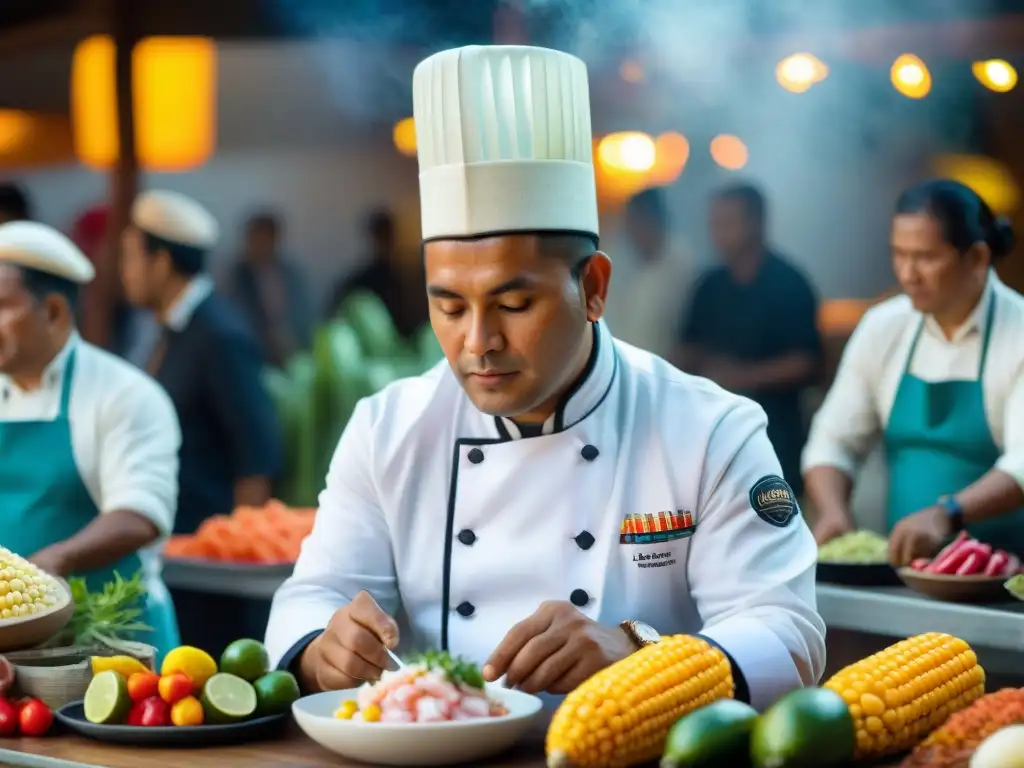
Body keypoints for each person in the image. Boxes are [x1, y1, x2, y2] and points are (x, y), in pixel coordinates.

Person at [266, 45, 824, 711]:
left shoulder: (710, 430)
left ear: (592, 288)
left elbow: (788, 636)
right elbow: (311, 596)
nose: (478, 342)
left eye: (513, 304)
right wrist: (321, 649)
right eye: (449, 306)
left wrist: (639, 650)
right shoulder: (388, 428)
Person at [805, 179, 1024, 564]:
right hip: (906, 573)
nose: (908, 274)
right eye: (899, 255)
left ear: (976, 258)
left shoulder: (1018, 332)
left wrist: (948, 513)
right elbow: (833, 441)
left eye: (925, 257)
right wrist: (833, 511)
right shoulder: (883, 327)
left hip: (1004, 579)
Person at [0, 220, 181, 661]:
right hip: (12, 650)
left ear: (55, 311)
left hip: (114, 645)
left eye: (2, 305)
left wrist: (52, 562)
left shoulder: (125, 395)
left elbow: (140, 512)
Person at [120, 190, 285, 656]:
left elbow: (257, 454)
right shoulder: (174, 330)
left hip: (213, 573)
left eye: (132, 258)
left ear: (162, 262)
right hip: (181, 558)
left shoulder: (219, 335)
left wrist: (237, 558)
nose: (124, 272)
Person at [678, 183, 822, 497]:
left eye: (727, 223)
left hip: (776, 437)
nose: (717, 232)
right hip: (714, 437)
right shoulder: (709, 286)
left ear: (756, 222)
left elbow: (806, 363)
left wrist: (740, 376)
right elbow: (686, 348)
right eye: (714, 224)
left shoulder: (789, 283)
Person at [602, 187, 692, 359]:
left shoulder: (681, 268)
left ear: (652, 219)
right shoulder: (628, 265)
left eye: (635, 221)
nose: (630, 231)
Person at [223, 211, 315, 368]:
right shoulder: (237, 276)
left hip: (292, 352)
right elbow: (235, 317)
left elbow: (304, 312)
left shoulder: (290, 273)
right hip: (254, 352)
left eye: (266, 239)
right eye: (256, 239)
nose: (260, 245)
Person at [326, 208, 428, 337]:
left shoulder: (410, 276)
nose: (383, 242)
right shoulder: (363, 280)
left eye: (386, 236)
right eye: (381, 236)